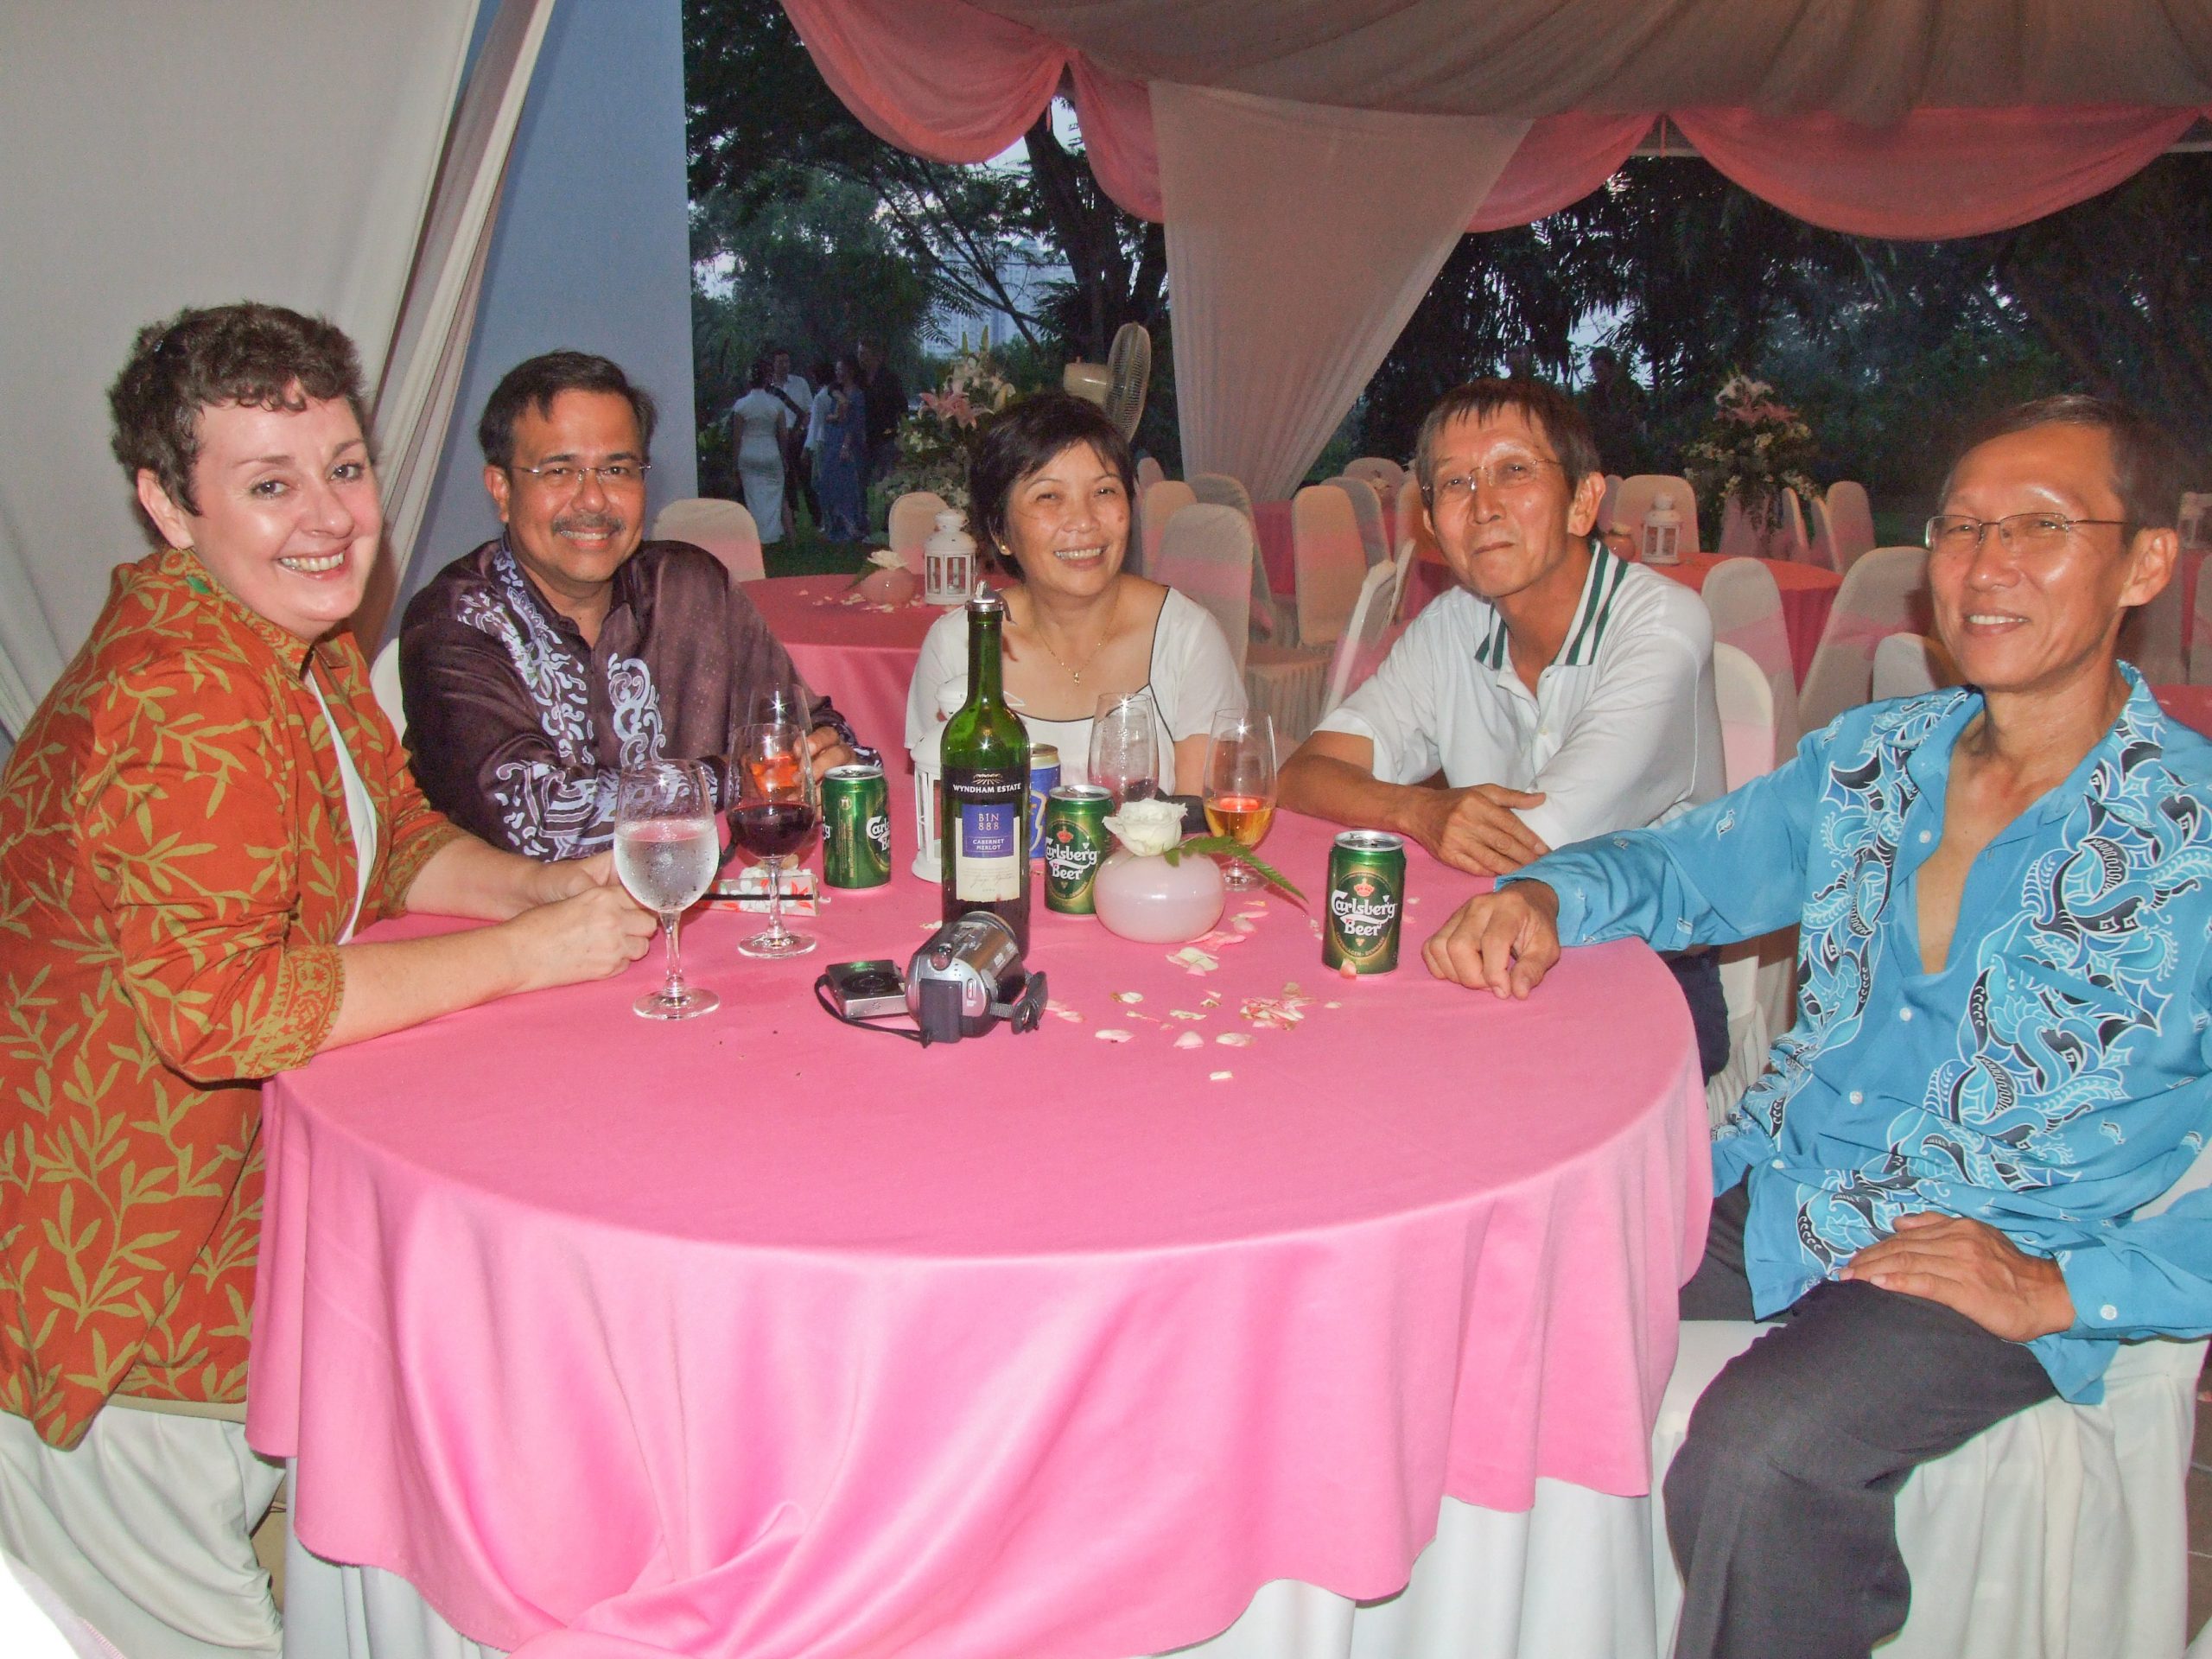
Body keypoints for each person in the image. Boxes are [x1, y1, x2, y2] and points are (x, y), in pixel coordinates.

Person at [1424, 394, 2210, 1659]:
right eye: (1961, 528)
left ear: (2147, 563)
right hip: (1784, 1184)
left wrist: (2064, 1286)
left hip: (1994, 1241)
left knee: (1763, 1456)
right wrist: (1546, 895)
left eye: (2041, 527)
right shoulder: (1873, 761)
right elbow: (1684, 865)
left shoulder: (2191, 837)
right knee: (1474, 1291)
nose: (1988, 566)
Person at [0, 302, 658, 1653]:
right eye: (268, 484)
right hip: (121, 1299)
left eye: (345, 468)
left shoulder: (294, 644)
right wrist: (524, 957)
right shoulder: (180, 695)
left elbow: (398, 840)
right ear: (166, 504)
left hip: (257, 1224)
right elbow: (224, 1012)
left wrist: (540, 889)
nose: (328, 518)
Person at [1277, 376, 1728, 1072]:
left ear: (1583, 501)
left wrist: (1431, 815)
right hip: (1478, 942)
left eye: (1514, 471)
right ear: (1432, 526)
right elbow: (1302, 776)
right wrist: (1417, 809)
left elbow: (1535, 841)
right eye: (1455, 483)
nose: (1483, 506)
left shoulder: (1660, 627)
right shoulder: (1453, 626)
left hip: (1644, 972)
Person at [400, 351, 859, 859]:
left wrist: (825, 755)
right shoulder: (455, 621)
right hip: (522, 911)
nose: (594, 500)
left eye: (616, 469)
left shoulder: (691, 588)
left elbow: (814, 727)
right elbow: (540, 822)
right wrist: (744, 775)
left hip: (711, 899)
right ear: (502, 490)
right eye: (560, 471)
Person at [904, 392, 1245, 794]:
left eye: (1104, 492)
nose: (1084, 522)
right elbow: (941, 814)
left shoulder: (1186, 639)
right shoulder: (961, 645)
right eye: (1049, 496)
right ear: (1000, 532)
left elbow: (1202, 817)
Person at [729, 355, 794, 543]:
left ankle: (756, 537)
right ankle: (788, 538)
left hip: (748, 454)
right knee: (778, 497)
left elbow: (737, 437)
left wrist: (734, 463)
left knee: (752, 498)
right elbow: (783, 434)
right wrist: (783, 456)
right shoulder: (776, 404)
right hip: (770, 452)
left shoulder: (741, 405)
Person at [812, 356, 867, 542]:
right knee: (830, 484)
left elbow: (854, 423)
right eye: (836, 370)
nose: (838, 373)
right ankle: (835, 525)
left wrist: (846, 445)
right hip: (833, 441)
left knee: (847, 486)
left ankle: (851, 526)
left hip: (846, 443)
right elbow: (837, 416)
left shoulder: (857, 395)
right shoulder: (837, 392)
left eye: (841, 369)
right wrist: (833, 418)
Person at [855, 336, 905, 508]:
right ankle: (861, 516)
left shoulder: (890, 379)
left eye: (864, 354)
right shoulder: (858, 378)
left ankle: (889, 517)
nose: (860, 358)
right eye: (859, 354)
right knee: (859, 481)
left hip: (885, 437)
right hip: (862, 438)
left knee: (888, 481)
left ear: (875, 355)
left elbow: (902, 407)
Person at [772, 347, 817, 531]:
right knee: (786, 479)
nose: (784, 365)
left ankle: (817, 516)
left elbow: (809, 410)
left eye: (787, 361)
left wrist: (801, 429)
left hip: (798, 435)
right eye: (780, 362)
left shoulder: (800, 383)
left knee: (806, 478)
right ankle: (791, 516)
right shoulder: (770, 388)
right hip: (778, 437)